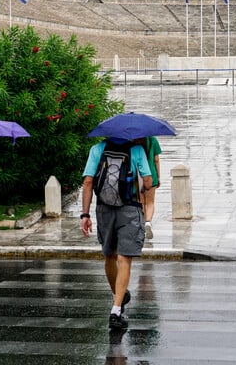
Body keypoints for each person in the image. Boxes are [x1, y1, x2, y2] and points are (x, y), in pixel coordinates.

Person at [80, 137, 152, 330]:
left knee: (110, 255)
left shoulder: (97, 148)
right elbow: (148, 181)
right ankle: (116, 309)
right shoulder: (137, 150)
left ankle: (117, 295)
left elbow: (88, 182)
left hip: (104, 209)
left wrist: (85, 214)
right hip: (130, 209)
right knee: (124, 258)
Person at [138, 136, 161, 239]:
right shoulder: (153, 140)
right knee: (150, 202)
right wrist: (159, 176)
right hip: (151, 175)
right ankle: (148, 222)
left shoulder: (134, 140)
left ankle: (142, 224)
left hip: (138, 175)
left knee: (141, 202)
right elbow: (156, 159)